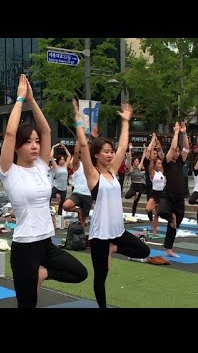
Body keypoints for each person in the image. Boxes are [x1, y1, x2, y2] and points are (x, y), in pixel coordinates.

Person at [0, 75, 87, 308]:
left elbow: (46, 130)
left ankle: (43, 273)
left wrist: (32, 100)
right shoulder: (8, 170)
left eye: (36, 141)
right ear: (18, 146)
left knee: (79, 273)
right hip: (24, 247)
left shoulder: (40, 165)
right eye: (28, 142)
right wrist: (19, 98)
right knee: (27, 304)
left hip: (46, 243)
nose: (35, 145)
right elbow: (9, 133)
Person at [73, 98, 149, 309]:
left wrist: (126, 121)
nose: (110, 154)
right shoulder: (93, 174)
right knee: (101, 275)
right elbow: (82, 146)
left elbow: (123, 145)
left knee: (143, 251)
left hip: (117, 231)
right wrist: (78, 121)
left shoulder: (113, 171)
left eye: (110, 151)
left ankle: (113, 248)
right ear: (96, 154)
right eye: (105, 151)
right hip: (100, 233)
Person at [158, 121, 190, 257]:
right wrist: (176, 133)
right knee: (162, 211)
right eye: (175, 151)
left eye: (178, 151)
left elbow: (187, 148)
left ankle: (169, 249)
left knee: (176, 223)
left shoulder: (180, 162)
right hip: (168, 194)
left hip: (179, 196)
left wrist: (184, 132)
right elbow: (171, 148)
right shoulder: (167, 162)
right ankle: (171, 217)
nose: (177, 153)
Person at [62, 140, 92, 228]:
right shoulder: (77, 164)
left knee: (83, 219)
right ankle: (78, 210)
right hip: (78, 193)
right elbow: (75, 152)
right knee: (66, 205)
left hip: (89, 195)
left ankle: (81, 237)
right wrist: (80, 140)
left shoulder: (93, 165)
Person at [50, 142, 71, 216]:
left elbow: (69, 156)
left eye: (63, 159)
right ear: (58, 160)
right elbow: (51, 156)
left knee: (61, 203)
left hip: (63, 188)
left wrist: (64, 147)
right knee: (48, 196)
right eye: (61, 159)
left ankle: (59, 216)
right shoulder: (56, 167)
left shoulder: (65, 166)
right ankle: (48, 211)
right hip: (56, 186)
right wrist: (53, 146)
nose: (63, 161)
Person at [125, 142, 146, 216]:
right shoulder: (131, 168)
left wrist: (144, 148)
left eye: (138, 161)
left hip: (139, 186)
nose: (137, 162)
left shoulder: (139, 167)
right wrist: (130, 150)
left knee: (135, 202)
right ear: (133, 162)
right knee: (126, 196)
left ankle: (133, 215)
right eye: (136, 161)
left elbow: (143, 157)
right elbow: (129, 158)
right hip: (133, 186)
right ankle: (135, 193)